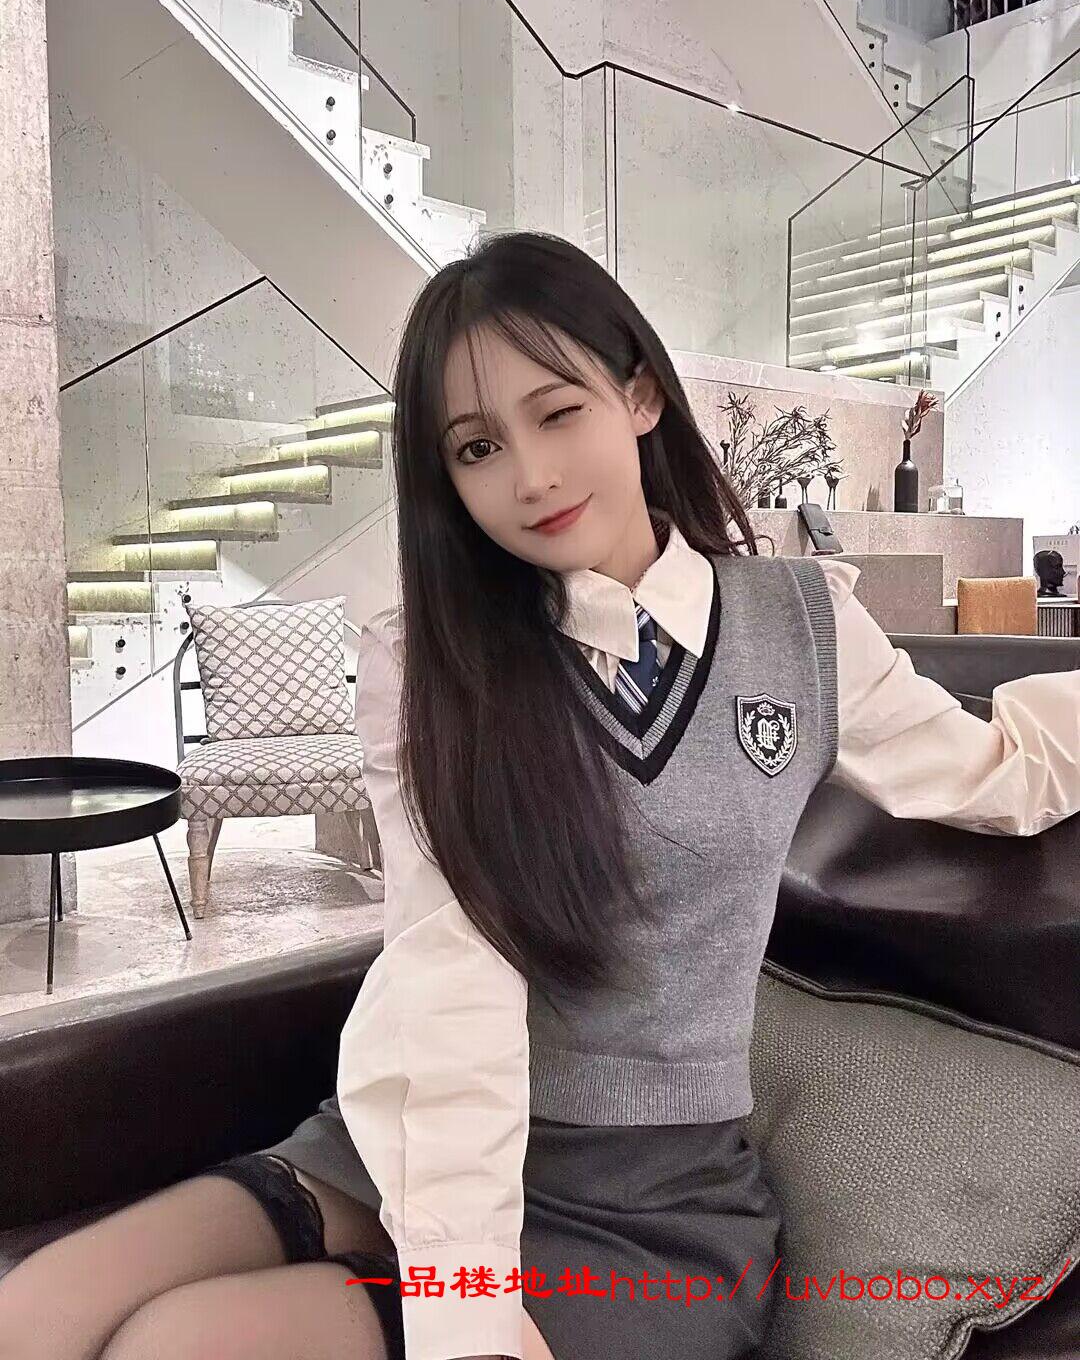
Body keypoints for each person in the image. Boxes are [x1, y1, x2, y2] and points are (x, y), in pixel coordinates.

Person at [2, 230, 1077, 1360]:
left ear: (640, 396)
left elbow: (996, 770)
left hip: (647, 1211)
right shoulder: (434, 664)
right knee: (34, 1313)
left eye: (558, 413)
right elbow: (447, 980)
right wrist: (463, 1298)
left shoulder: (800, 625)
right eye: (478, 446)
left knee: (181, 1344)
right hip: (420, 1148)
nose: (530, 476)